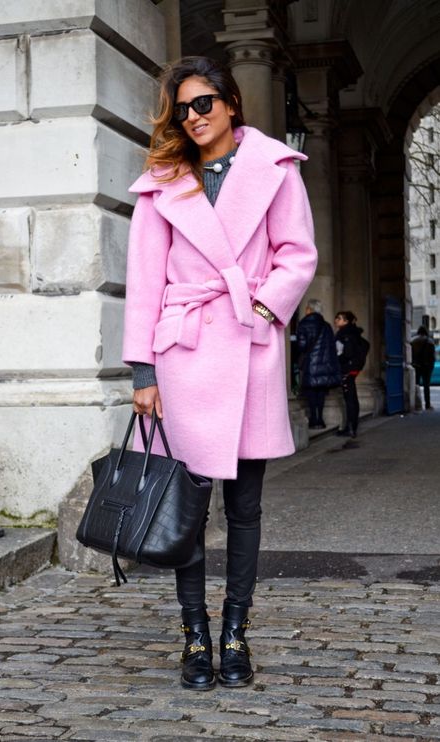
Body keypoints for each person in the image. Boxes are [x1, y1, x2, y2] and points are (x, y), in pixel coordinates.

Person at [122, 56, 317, 691]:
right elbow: (145, 281)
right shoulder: (163, 182)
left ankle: (235, 629)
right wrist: (142, 371)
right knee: (187, 503)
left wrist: (262, 310)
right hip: (184, 352)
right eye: (182, 108)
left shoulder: (275, 170)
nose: (194, 117)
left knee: (246, 504)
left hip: (249, 342)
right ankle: (194, 632)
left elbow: (297, 254)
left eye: (204, 103)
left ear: (232, 103)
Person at [296, 299, 341, 429]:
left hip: (310, 364)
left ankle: (313, 420)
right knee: (320, 393)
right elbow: (330, 347)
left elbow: (301, 346)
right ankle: (320, 419)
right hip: (324, 365)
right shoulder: (326, 326)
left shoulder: (303, 324)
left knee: (311, 394)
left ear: (309, 309)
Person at [334, 310, 368, 437]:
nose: (336, 320)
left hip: (347, 369)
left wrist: (339, 361)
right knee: (352, 397)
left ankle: (350, 428)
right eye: (336, 318)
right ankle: (352, 426)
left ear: (346, 321)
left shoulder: (345, 334)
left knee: (349, 399)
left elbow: (347, 353)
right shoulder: (353, 333)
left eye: (339, 318)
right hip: (352, 369)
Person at [411, 325, 435, 410]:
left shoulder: (412, 340)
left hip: (415, 366)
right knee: (426, 386)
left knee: (415, 385)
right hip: (426, 367)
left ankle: (415, 403)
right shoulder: (430, 342)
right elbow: (432, 357)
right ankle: (427, 404)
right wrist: (431, 367)